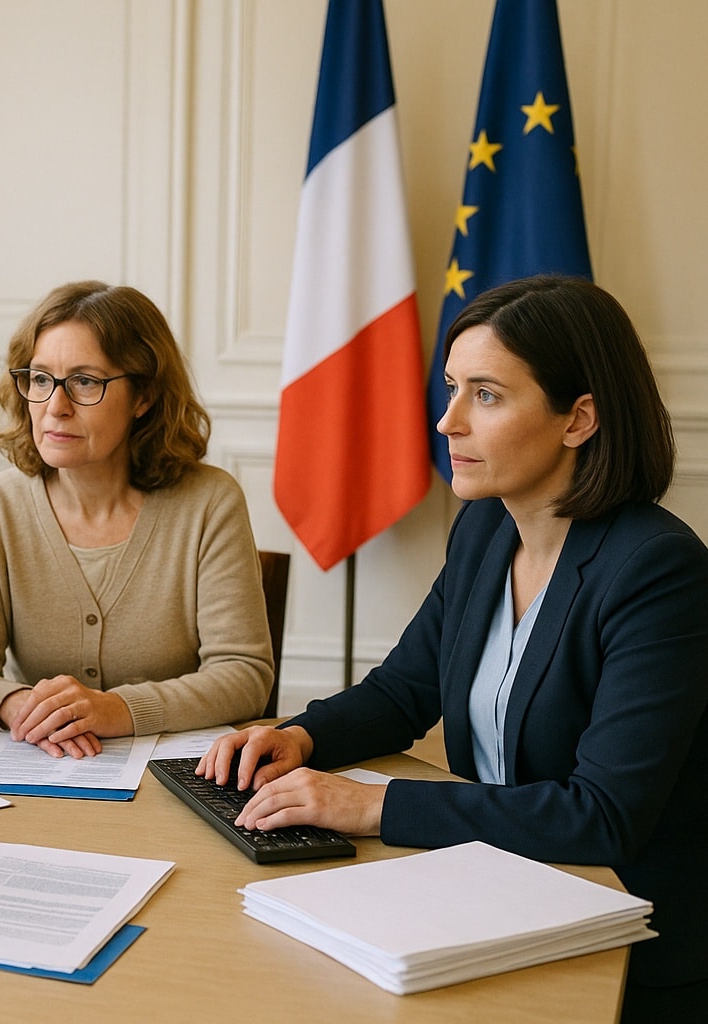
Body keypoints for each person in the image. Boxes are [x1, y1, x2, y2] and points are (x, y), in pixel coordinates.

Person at [200, 276, 708, 1022]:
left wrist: (373, 806)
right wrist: (300, 736)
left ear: (580, 419)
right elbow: (405, 690)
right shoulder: (485, 531)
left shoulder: (658, 570)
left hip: (627, 938)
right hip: (497, 893)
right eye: (451, 389)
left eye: (487, 395)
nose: (447, 422)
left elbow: (603, 816)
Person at [0, 281, 273, 758]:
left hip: (179, 778)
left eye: (85, 381)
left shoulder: (210, 502)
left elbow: (244, 675)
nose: (55, 406)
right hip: (43, 766)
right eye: (39, 379)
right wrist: (20, 706)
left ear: (144, 396)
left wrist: (115, 710)